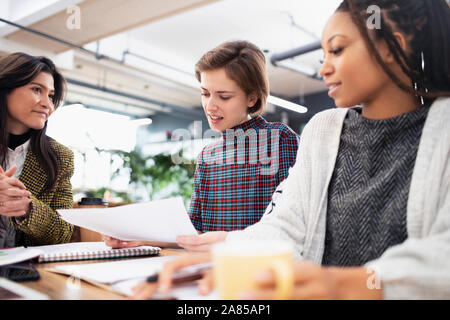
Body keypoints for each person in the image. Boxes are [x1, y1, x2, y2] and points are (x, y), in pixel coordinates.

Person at [132, 0, 450, 300]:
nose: (324, 68)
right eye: (323, 54)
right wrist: (229, 253)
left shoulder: (444, 130)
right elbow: (286, 225)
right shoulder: (322, 131)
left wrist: (344, 284)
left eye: (336, 50)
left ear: (394, 45)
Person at [104, 40, 299, 250]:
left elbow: (291, 226)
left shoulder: (280, 139)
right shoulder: (208, 155)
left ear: (251, 98)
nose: (210, 106)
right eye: (205, 93)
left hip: (256, 268)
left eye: (223, 96)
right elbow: (195, 231)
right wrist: (139, 240)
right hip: (208, 267)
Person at [0, 52, 75, 247]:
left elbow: (63, 232)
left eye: (51, 96)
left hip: (25, 273)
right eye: (36, 89)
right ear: (5, 89)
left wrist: (27, 208)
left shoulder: (59, 157)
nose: (47, 104)